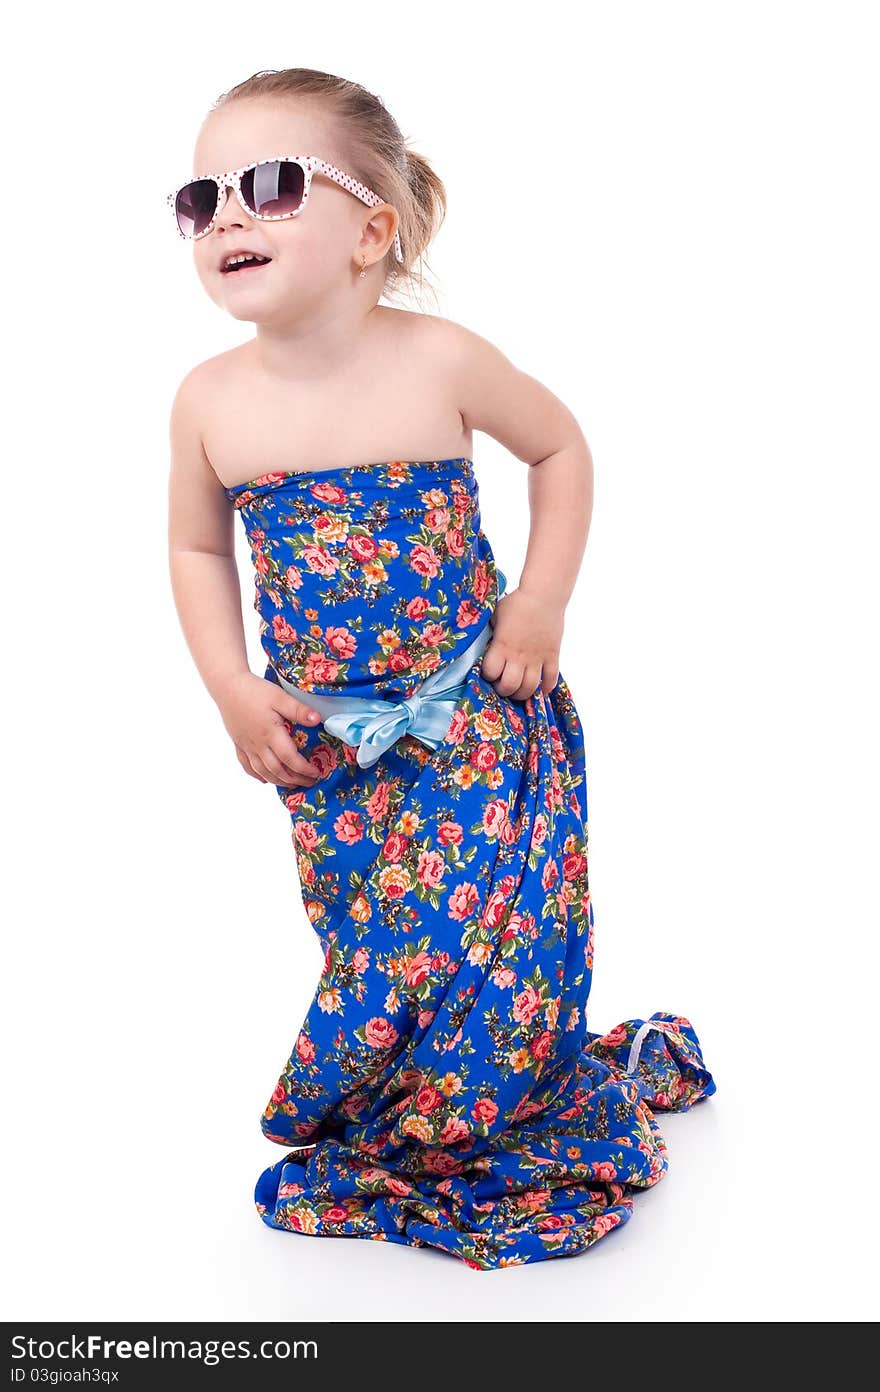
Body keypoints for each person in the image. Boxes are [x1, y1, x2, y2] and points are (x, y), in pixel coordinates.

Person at [167, 66, 715, 1271]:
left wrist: (539, 606)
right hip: (328, 742)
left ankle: (498, 1100)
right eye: (201, 199)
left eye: (267, 186)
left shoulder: (439, 359)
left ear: (373, 229)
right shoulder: (209, 402)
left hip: (479, 715)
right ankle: (410, 1109)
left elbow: (559, 445)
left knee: (491, 940)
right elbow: (196, 542)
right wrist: (227, 683)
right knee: (376, 943)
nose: (229, 219)